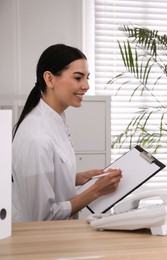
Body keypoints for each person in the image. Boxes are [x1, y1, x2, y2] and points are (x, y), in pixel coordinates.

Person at [12, 44, 122, 222]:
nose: (86, 86)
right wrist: (95, 191)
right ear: (50, 79)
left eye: (87, 78)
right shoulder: (36, 137)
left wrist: (77, 178)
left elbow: (46, 177)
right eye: (78, 78)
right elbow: (43, 216)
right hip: (40, 243)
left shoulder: (54, 121)